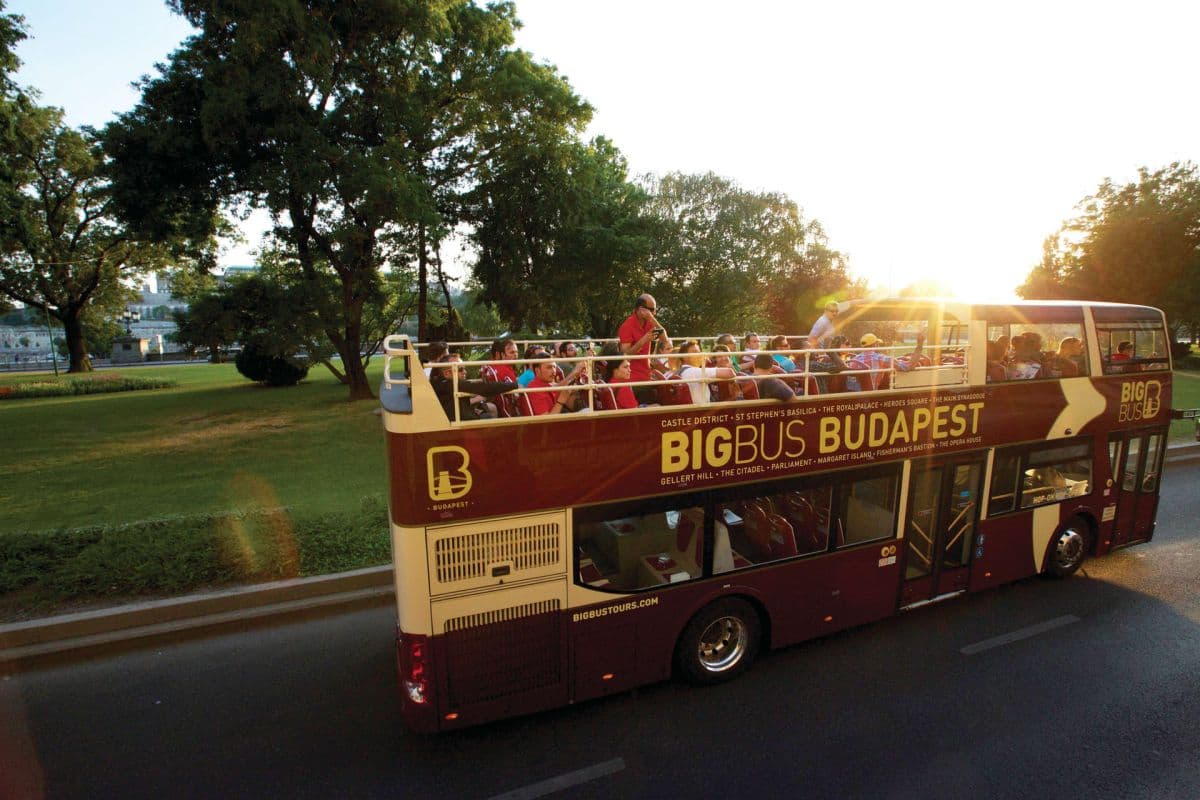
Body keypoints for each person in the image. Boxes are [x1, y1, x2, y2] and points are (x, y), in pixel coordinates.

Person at [430, 353, 516, 421]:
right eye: (460, 369)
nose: (465, 372)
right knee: (488, 417)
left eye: (464, 368)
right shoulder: (452, 384)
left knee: (488, 411)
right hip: (463, 424)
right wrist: (515, 385)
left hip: (459, 417)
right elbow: (484, 388)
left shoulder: (440, 382)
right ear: (447, 374)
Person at [618, 294, 671, 403]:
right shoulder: (627, 326)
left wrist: (652, 319)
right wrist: (643, 340)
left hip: (646, 376)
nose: (654, 313)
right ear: (641, 309)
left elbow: (665, 339)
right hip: (633, 380)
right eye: (652, 310)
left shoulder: (649, 321)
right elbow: (625, 356)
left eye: (655, 310)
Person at [856, 332, 924, 390]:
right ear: (875, 344)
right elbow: (909, 366)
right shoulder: (881, 358)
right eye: (878, 344)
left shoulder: (855, 359)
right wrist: (920, 345)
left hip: (856, 394)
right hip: (872, 396)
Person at [677, 340, 737, 405]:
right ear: (684, 357)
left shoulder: (682, 371)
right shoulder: (694, 372)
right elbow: (730, 372)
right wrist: (729, 365)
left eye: (699, 352)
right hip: (702, 411)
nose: (700, 355)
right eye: (695, 352)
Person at [481, 337, 520, 417]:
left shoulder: (491, 366)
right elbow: (515, 397)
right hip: (507, 413)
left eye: (516, 352)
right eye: (512, 352)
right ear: (502, 354)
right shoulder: (504, 371)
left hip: (496, 406)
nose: (515, 355)